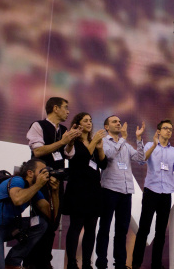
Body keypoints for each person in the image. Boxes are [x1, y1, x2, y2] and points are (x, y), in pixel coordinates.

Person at [25, 97, 82, 269]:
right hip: (40, 180)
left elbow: (68, 155)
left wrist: (70, 142)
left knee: (54, 221)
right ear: (55, 108)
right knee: (40, 220)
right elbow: (38, 150)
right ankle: (32, 262)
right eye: (65, 108)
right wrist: (63, 141)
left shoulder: (64, 129)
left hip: (57, 180)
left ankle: (45, 261)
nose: (68, 111)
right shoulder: (38, 125)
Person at [0, 158, 59, 269]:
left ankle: (12, 262)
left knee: (41, 223)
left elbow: (51, 216)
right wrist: (38, 185)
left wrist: (55, 192)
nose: (46, 175)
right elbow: (17, 199)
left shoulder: (35, 191)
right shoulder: (17, 180)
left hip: (7, 226)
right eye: (42, 171)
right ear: (30, 173)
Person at [132, 119, 174, 269]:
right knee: (144, 228)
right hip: (151, 191)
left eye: (171, 129)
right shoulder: (150, 145)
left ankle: (156, 264)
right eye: (166, 128)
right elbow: (142, 161)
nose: (169, 131)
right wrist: (154, 144)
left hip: (166, 192)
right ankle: (136, 263)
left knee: (161, 231)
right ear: (159, 131)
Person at [95, 116, 145, 269]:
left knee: (122, 229)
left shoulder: (126, 145)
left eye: (119, 121)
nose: (118, 123)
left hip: (126, 190)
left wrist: (138, 139)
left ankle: (120, 263)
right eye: (114, 122)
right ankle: (101, 262)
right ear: (106, 127)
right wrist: (123, 139)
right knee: (105, 227)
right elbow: (108, 155)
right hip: (109, 189)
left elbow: (141, 158)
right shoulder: (103, 141)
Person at [63, 113, 108, 269]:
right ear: (78, 124)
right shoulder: (73, 142)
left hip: (94, 189)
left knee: (91, 228)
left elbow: (103, 165)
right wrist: (94, 141)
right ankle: (72, 263)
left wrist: (100, 148)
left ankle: (87, 263)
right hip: (78, 189)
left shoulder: (93, 142)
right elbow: (82, 160)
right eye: (85, 120)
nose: (89, 123)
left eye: (90, 120)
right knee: (76, 226)